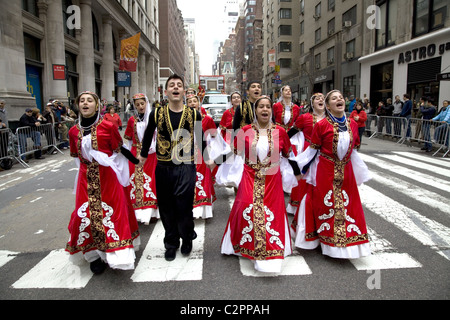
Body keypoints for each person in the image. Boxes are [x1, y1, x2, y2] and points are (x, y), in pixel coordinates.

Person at [217, 96, 301, 273]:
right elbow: (232, 151)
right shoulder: (245, 130)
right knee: (247, 207)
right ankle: (244, 245)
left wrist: (298, 173)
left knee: (271, 212)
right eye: (261, 106)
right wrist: (214, 161)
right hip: (250, 176)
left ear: (271, 110)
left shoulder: (280, 131)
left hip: (272, 179)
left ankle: (270, 250)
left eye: (268, 107)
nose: (265, 109)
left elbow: (288, 155)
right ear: (255, 111)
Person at [137, 74, 212, 261]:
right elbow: (148, 136)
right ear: (167, 91)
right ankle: (171, 243)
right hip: (163, 167)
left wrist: (208, 158)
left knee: (184, 206)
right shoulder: (156, 113)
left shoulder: (193, 113)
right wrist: (143, 155)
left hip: (186, 165)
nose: (176, 88)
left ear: (183, 91)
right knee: (166, 207)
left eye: (179, 85)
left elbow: (200, 137)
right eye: (172, 85)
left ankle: (187, 238)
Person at [65, 91, 141, 274]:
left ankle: (115, 254)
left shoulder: (108, 126)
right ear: (78, 105)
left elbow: (119, 148)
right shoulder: (73, 131)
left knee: (112, 213)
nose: (85, 103)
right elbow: (76, 157)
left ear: (97, 105)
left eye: (89, 100)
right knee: (84, 215)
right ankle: (93, 255)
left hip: (107, 178)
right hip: (85, 178)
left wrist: (137, 161)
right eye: (82, 100)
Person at [294, 90, 372, 259]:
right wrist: (299, 169)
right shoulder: (321, 125)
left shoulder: (352, 124)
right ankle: (327, 243)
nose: (339, 100)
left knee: (348, 206)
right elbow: (312, 151)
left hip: (346, 171)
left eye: (341, 98)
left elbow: (354, 151)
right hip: (325, 169)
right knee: (325, 206)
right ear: (328, 106)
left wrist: (361, 172)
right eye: (334, 98)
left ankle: (349, 243)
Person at [287, 93, 326, 250]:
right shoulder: (305, 118)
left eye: (323, 98)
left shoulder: (333, 120)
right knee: (308, 192)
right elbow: (288, 136)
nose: (320, 100)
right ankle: (306, 230)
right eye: (317, 98)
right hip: (309, 156)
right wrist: (292, 158)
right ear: (312, 103)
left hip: (327, 159)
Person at [123, 93, 159, 225]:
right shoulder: (133, 120)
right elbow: (128, 140)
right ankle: (137, 212)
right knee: (135, 182)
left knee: (150, 182)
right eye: (137, 105)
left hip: (151, 154)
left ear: (146, 103)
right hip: (135, 152)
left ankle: (152, 212)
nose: (140, 106)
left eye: (142, 104)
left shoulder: (153, 118)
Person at [186, 93, 220, 219]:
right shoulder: (183, 119)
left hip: (203, 152)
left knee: (202, 178)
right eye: (190, 102)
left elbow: (215, 136)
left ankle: (202, 209)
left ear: (199, 103)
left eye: (195, 101)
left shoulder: (207, 119)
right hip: (186, 153)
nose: (193, 103)